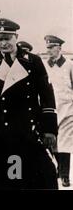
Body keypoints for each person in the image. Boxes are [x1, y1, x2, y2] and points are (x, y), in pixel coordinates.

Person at [0, 18, 58, 190]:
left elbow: (46, 96)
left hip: (29, 131)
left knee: (46, 177)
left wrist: (49, 129)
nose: (3, 43)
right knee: (8, 181)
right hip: (1, 134)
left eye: (7, 38)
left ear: (16, 37)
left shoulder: (33, 61)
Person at [43, 35, 73, 187]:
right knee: (53, 143)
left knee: (65, 143)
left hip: (67, 110)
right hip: (51, 110)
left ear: (59, 48)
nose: (49, 50)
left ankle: (65, 175)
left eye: (51, 47)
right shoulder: (44, 65)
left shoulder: (69, 65)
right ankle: (58, 167)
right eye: (47, 48)